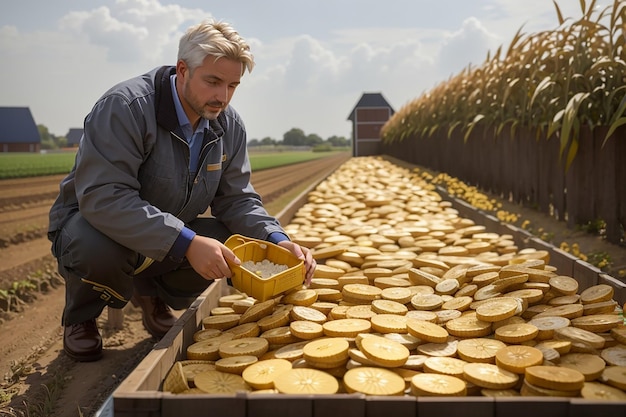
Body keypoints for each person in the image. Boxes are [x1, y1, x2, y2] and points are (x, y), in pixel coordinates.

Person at [47, 19, 316, 362]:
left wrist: (278, 240)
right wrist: (186, 243)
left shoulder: (228, 125)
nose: (223, 96)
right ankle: (82, 317)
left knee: (235, 244)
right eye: (213, 82)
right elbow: (104, 196)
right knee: (95, 248)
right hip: (93, 227)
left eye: (233, 85)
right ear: (183, 70)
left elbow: (237, 198)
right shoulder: (126, 107)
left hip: (166, 234)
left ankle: (150, 292)